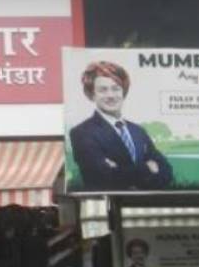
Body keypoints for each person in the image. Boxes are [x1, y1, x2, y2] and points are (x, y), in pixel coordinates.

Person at [69, 61, 173, 192]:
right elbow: (102, 177)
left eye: (116, 88)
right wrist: (148, 168)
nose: (111, 95)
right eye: (103, 90)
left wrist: (121, 170)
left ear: (123, 92)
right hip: (110, 207)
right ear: (92, 94)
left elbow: (166, 172)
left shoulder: (138, 131)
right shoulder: (82, 133)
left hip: (144, 206)